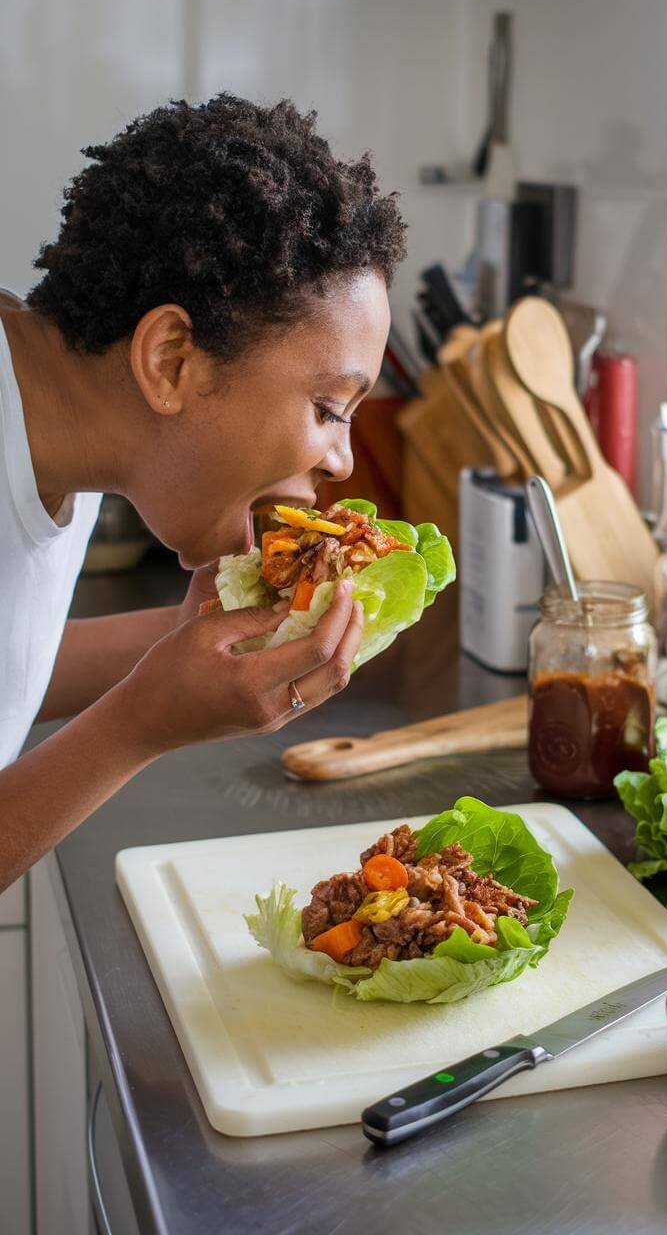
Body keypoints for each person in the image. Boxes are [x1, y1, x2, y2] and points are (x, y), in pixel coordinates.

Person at [0, 94, 406, 893]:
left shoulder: (60, 419)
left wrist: (184, 640)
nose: (344, 463)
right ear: (173, 361)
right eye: (328, 408)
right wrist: (138, 725)